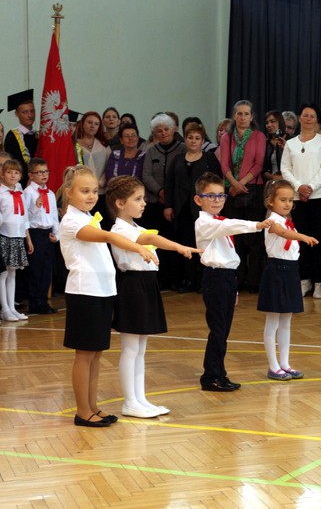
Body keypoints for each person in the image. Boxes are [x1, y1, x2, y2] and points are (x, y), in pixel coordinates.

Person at [60, 165, 155, 427]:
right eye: (84, 191)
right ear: (69, 193)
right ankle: (82, 411)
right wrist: (137, 247)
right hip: (85, 292)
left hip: (102, 292)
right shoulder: (71, 221)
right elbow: (106, 236)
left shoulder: (89, 216)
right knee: (84, 355)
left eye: (94, 191)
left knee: (96, 354)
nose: (91, 196)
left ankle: (92, 406)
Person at [106, 175, 199, 418]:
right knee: (130, 348)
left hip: (146, 285)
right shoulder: (120, 229)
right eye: (137, 199)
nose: (144, 203)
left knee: (140, 349)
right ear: (120, 203)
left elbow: (146, 237)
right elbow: (149, 239)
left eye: (143, 198)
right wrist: (178, 246)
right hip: (132, 286)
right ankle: (129, 402)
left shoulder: (136, 227)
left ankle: (140, 399)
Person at [193, 172, 271, 391]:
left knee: (224, 330)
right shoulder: (204, 223)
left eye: (221, 195)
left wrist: (234, 287)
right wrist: (257, 225)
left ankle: (219, 373)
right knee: (218, 330)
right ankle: (210, 377)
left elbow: (230, 257)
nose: (217, 200)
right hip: (215, 278)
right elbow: (230, 226)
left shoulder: (221, 221)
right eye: (211, 196)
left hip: (227, 277)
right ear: (198, 200)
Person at [258, 180, 318, 380]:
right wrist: (303, 237)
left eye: (291, 200)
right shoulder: (272, 220)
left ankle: (284, 363)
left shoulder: (287, 221)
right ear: (270, 202)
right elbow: (282, 233)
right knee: (273, 321)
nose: (287, 204)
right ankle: (273, 366)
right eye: (283, 200)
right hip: (276, 271)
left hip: (291, 271)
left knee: (286, 321)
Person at [281, 103, 321, 299]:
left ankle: (319, 282)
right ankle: (304, 280)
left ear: (317, 120)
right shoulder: (290, 143)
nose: (308, 118)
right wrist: (298, 187)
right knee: (301, 240)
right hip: (297, 198)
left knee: (318, 241)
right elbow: (285, 168)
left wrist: (310, 187)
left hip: (320, 197)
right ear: (299, 118)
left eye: (312, 116)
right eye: (305, 115)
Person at [164, 122, 222, 293]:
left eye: (197, 138)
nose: (193, 141)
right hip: (182, 209)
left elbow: (217, 183)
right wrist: (168, 206)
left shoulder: (209, 158)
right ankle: (189, 279)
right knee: (186, 243)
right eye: (190, 137)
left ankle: (203, 280)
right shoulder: (177, 159)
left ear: (202, 140)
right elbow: (169, 184)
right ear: (185, 139)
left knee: (204, 244)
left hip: (204, 209)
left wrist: (216, 204)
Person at [219, 100, 267, 293]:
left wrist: (241, 183)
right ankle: (237, 279)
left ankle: (253, 281)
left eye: (246, 114)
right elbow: (224, 165)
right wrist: (234, 183)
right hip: (231, 190)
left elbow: (258, 164)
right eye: (239, 113)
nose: (243, 117)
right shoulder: (227, 138)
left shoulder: (259, 136)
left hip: (253, 190)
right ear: (234, 116)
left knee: (253, 238)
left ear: (252, 117)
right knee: (236, 237)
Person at [142, 113, 187, 290]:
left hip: (177, 204)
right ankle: (161, 278)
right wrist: (160, 191)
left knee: (175, 241)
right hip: (155, 203)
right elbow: (146, 175)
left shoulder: (183, 148)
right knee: (158, 242)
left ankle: (177, 279)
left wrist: (170, 197)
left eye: (166, 129)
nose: (163, 133)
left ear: (174, 129)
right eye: (159, 131)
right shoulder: (151, 150)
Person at [24, 158, 59, 315]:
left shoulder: (50, 193)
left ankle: (43, 301)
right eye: (39, 172)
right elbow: (25, 217)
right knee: (35, 268)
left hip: (48, 233)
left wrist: (57, 234)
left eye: (46, 171)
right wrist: (36, 207)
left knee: (46, 269)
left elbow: (54, 216)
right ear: (31, 175)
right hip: (35, 233)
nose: (44, 175)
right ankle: (35, 302)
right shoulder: (28, 193)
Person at [0, 160, 33, 321]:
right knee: (3, 274)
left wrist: (28, 239)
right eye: (9, 172)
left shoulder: (20, 192)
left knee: (13, 273)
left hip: (18, 236)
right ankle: (4, 308)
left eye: (16, 172)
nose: (13, 175)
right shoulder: (1, 193)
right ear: (2, 174)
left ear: (20, 176)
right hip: (4, 236)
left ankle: (12, 308)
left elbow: (24, 217)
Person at [74, 112, 113, 221]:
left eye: (96, 124)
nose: (92, 126)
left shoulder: (104, 145)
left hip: (100, 191)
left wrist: (100, 182)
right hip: (82, 191)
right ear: (82, 124)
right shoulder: (75, 144)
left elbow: (109, 165)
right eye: (89, 122)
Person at [4, 89, 37, 186]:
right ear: (17, 114)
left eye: (32, 111)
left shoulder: (38, 135)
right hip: (21, 184)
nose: (30, 115)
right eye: (25, 112)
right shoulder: (13, 136)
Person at [263, 110, 287, 182]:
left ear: (280, 122)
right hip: (271, 182)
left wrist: (285, 147)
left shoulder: (291, 140)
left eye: (272, 121)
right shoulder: (265, 143)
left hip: (288, 181)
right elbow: (262, 169)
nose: (269, 125)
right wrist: (273, 177)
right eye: (267, 123)